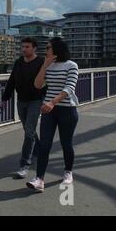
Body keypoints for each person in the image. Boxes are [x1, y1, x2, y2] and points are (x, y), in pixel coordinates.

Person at [27, 37, 79, 193]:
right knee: (44, 145)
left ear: (57, 49)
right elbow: (37, 85)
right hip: (49, 111)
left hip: (67, 110)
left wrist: (53, 102)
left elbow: (69, 88)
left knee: (66, 143)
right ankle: (39, 179)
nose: (46, 50)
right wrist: (44, 65)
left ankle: (68, 171)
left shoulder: (71, 65)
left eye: (48, 47)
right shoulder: (48, 66)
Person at [1, 37, 45, 178]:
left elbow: (47, 82)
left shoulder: (41, 62)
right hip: (21, 101)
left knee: (29, 132)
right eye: (23, 47)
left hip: (36, 101)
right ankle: (39, 151)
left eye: (27, 47)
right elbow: (12, 80)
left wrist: (47, 100)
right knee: (28, 129)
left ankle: (24, 165)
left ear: (34, 48)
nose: (24, 49)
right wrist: (4, 98)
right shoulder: (19, 62)